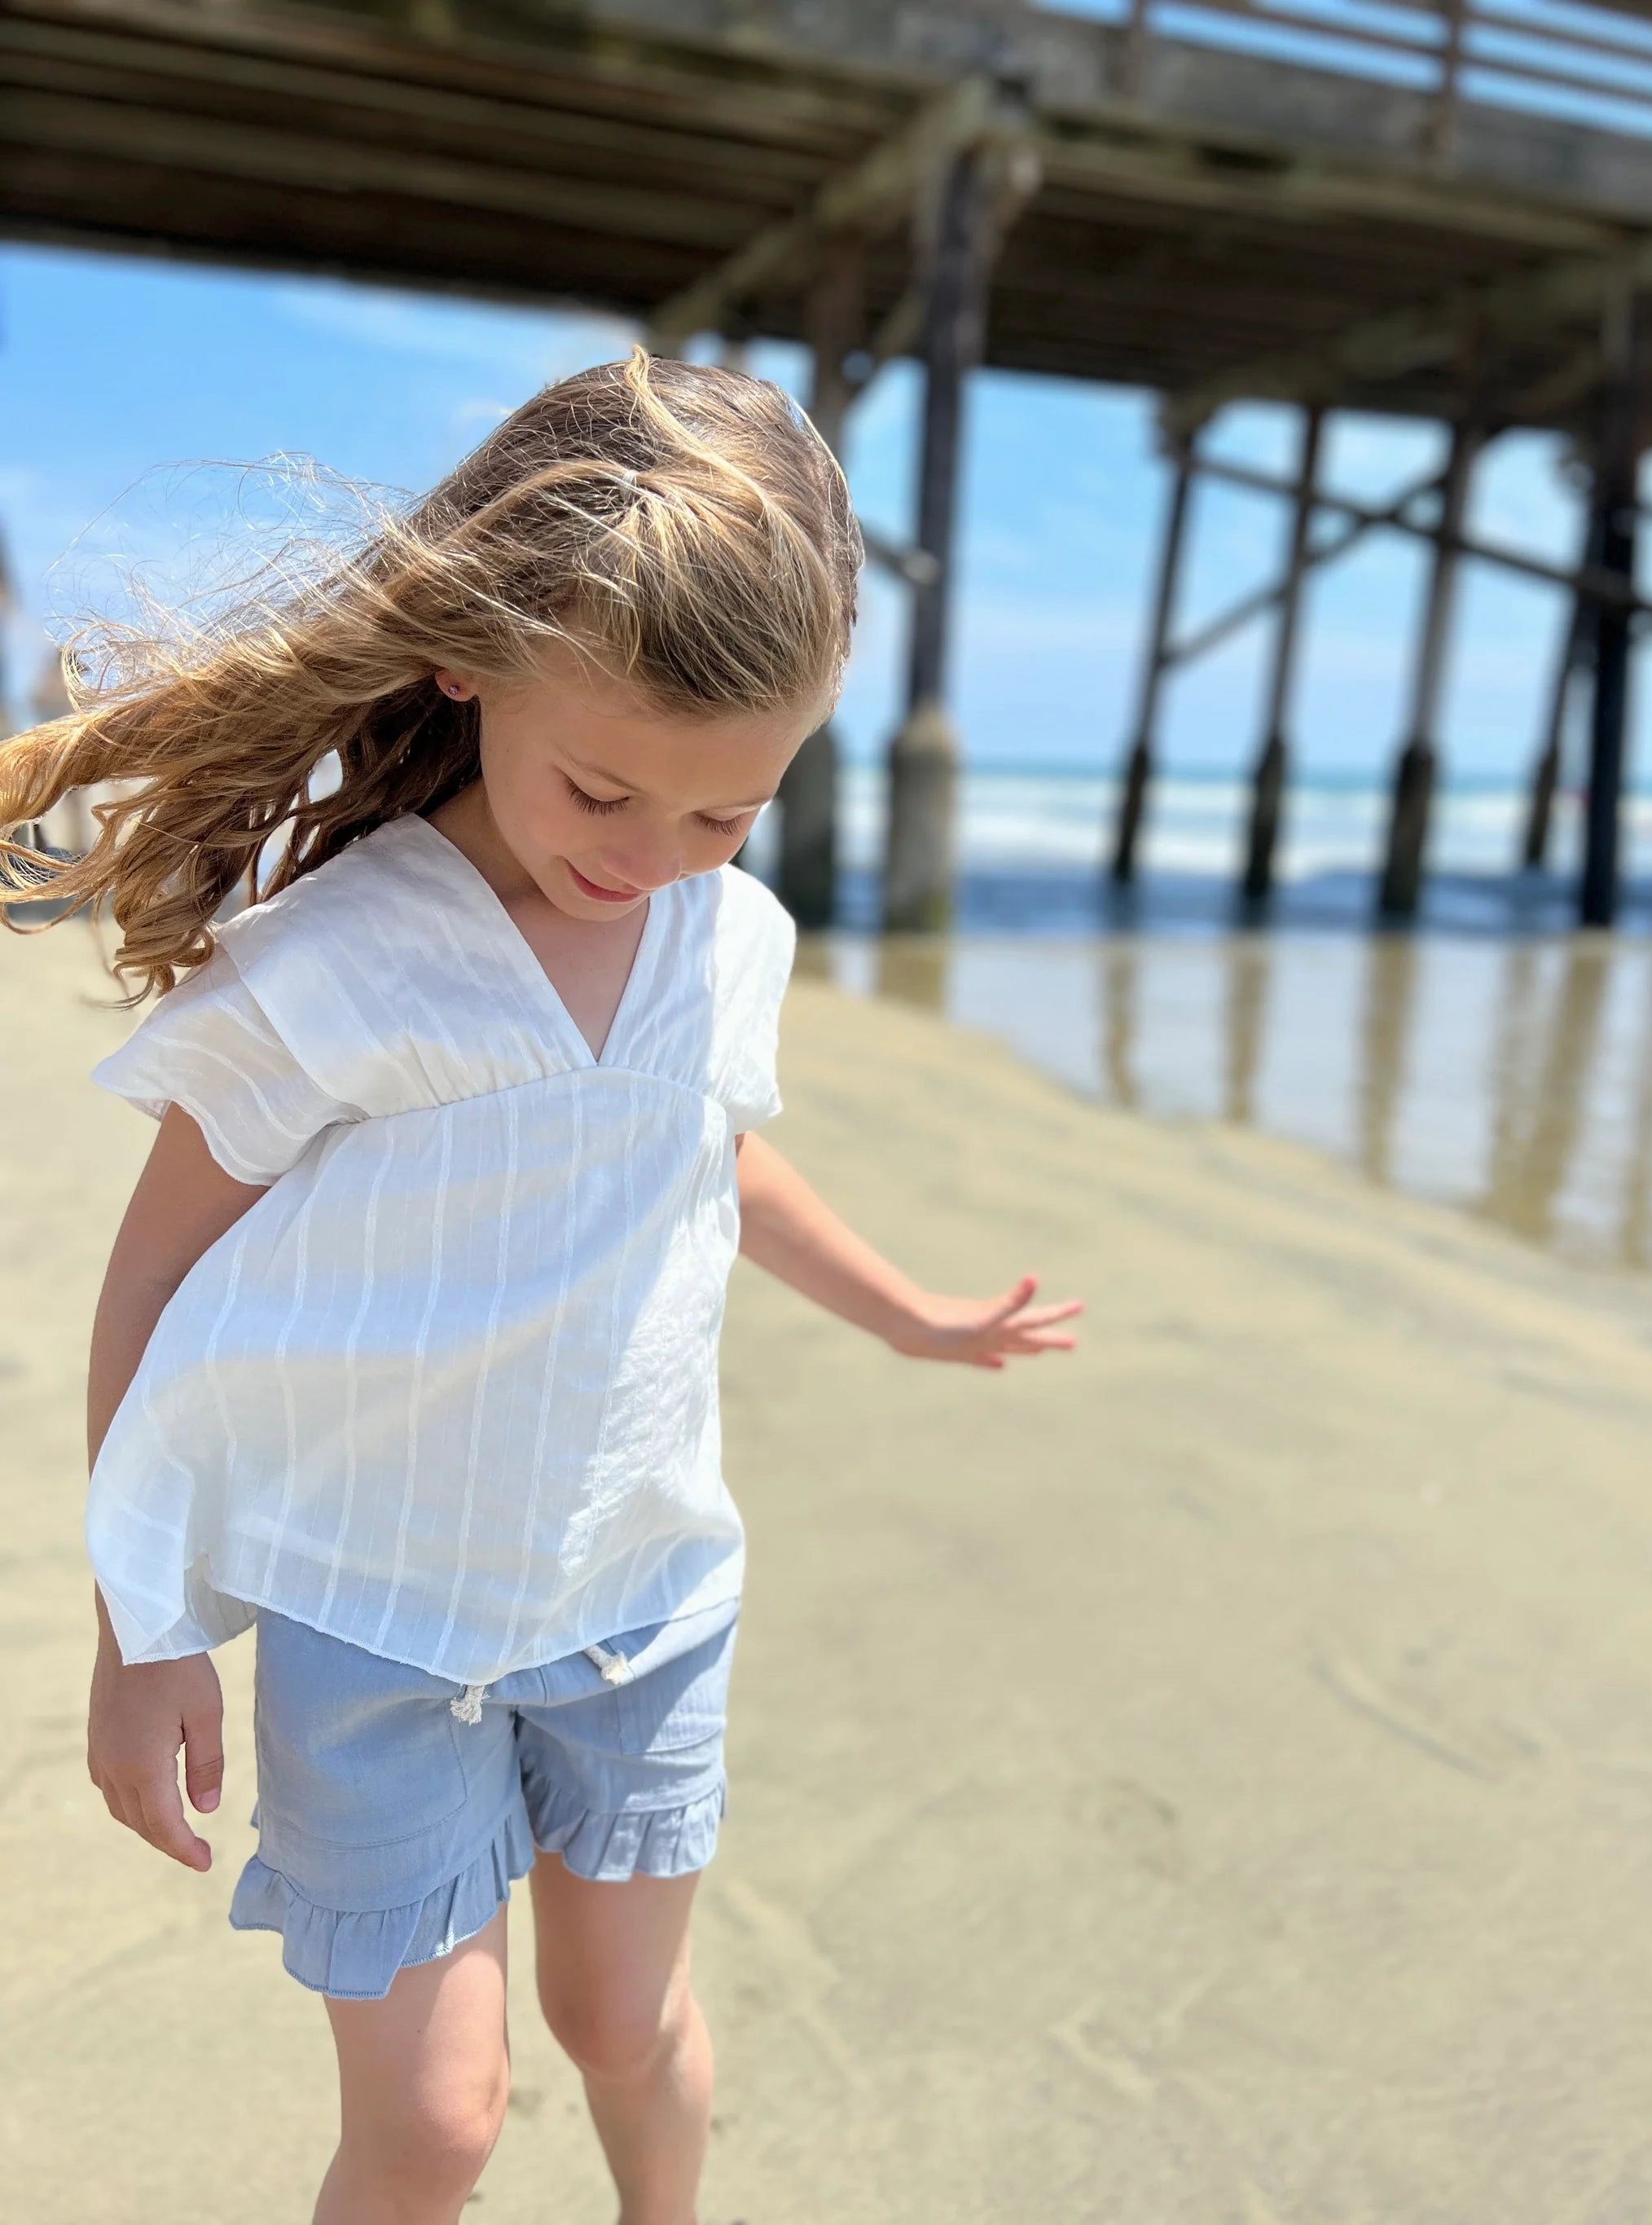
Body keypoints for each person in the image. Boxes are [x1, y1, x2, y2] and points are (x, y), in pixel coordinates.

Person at [0, 351, 1080, 2225]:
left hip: (645, 1599)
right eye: (604, 789)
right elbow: (156, 1272)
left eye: (723, 815)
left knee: (626, 2022)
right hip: (375, 1620)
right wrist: (142, 1624)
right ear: (471, 658)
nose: (646, 860)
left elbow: (704, 1148)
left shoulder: (725, 939)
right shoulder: (343, 960)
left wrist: (907, 1310)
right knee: (433, 2122)